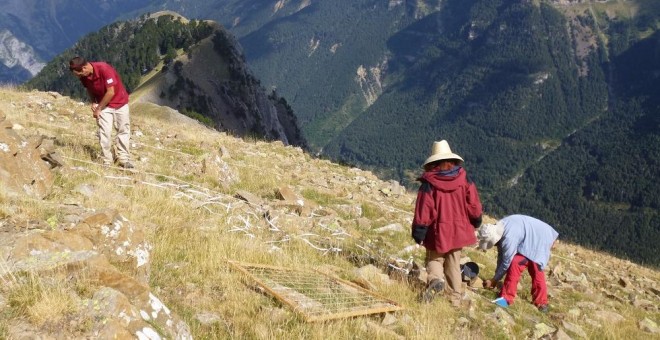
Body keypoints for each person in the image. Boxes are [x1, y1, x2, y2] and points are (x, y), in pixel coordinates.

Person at [412, 140, 483, 305]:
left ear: (433, 162)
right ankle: (454, 300)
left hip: (438, 231)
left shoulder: (429, 184)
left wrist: (419, 232)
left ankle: (435, 281)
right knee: (453, 263)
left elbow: (424, 210)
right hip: (459, 230)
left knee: (435, 260)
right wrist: (476, 220)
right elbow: (473, 204)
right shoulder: (465, 179)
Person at [478, 214, 559, 313]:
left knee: (533, 267)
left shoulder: (508, 237)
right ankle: (506, 298)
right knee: (516, 263)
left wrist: (494, 280)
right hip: (531, 239)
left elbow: (506, 262)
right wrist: (495, 278)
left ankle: (541, 303)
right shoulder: (500, 228)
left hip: (542, 238)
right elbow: (501, 256)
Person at [69, 56, 133, 168]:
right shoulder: (84, 76)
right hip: (103, 105)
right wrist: (93, 101)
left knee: (123, 130)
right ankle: (107, 160)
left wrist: (98, 108)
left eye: (78, 74)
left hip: (119, 103)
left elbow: (111, 92)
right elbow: (89, 88)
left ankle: (123, 158)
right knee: (105, 132)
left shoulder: (104, 69)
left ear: (84, 68)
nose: (78, 77)